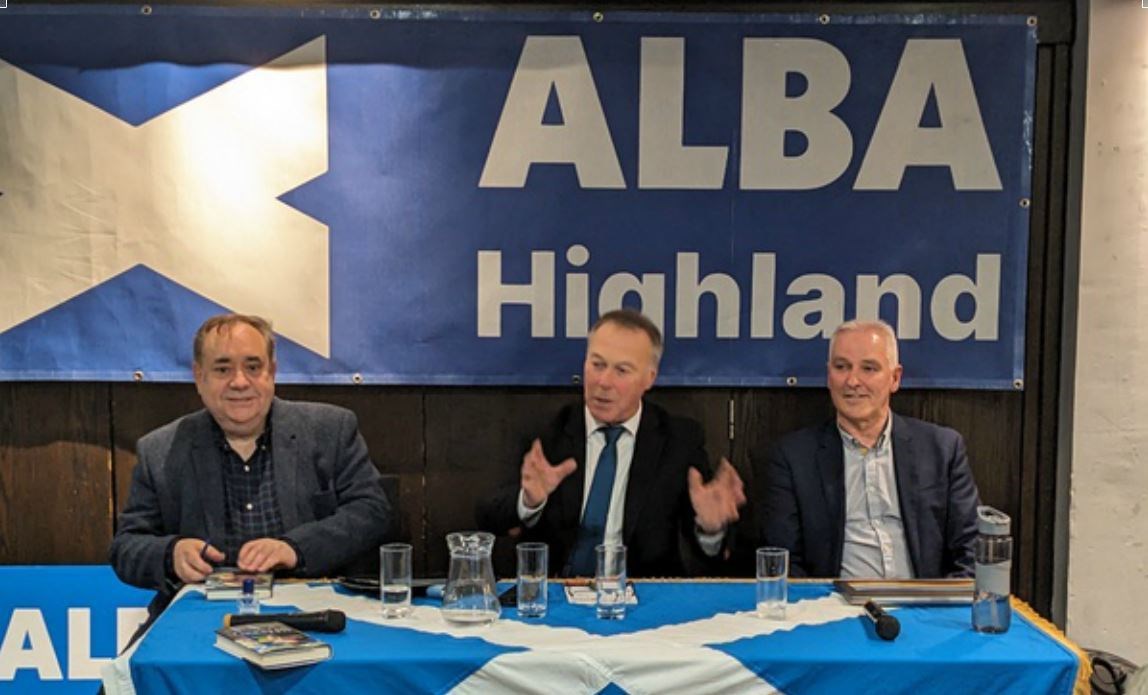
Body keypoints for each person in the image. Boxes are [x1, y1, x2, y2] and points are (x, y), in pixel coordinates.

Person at [109, 313, 392, 622]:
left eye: (253, 367)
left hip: (313, 615)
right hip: (200, 620)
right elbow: (126, 547)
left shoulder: (331, 430)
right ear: (199, 377)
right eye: (222, 369)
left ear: (272, 372)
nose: (240, 382)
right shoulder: (159, 450)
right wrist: (170, 554)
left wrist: (295, 548)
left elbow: (372, 511)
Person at [476, 309, 745, 577]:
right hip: (557, 593)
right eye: (597, 364)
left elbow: (713, 551)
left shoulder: (678, 439)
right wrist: (529, 501)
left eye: (622, 370)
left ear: (649, 378)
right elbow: (488, 516)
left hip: (642, 599)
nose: (603, 382)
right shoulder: (547, 432)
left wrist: (711, 528)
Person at [754, 319, 980, 578]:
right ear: (829, 375)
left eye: (868, 368)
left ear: (895, 378)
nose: (852, 381)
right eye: (842, 367)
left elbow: (972, 551)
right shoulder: (792, 458)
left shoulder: (942, 449)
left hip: (922, 608)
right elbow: (784, 563)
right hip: (834, 609)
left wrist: (937, 611)